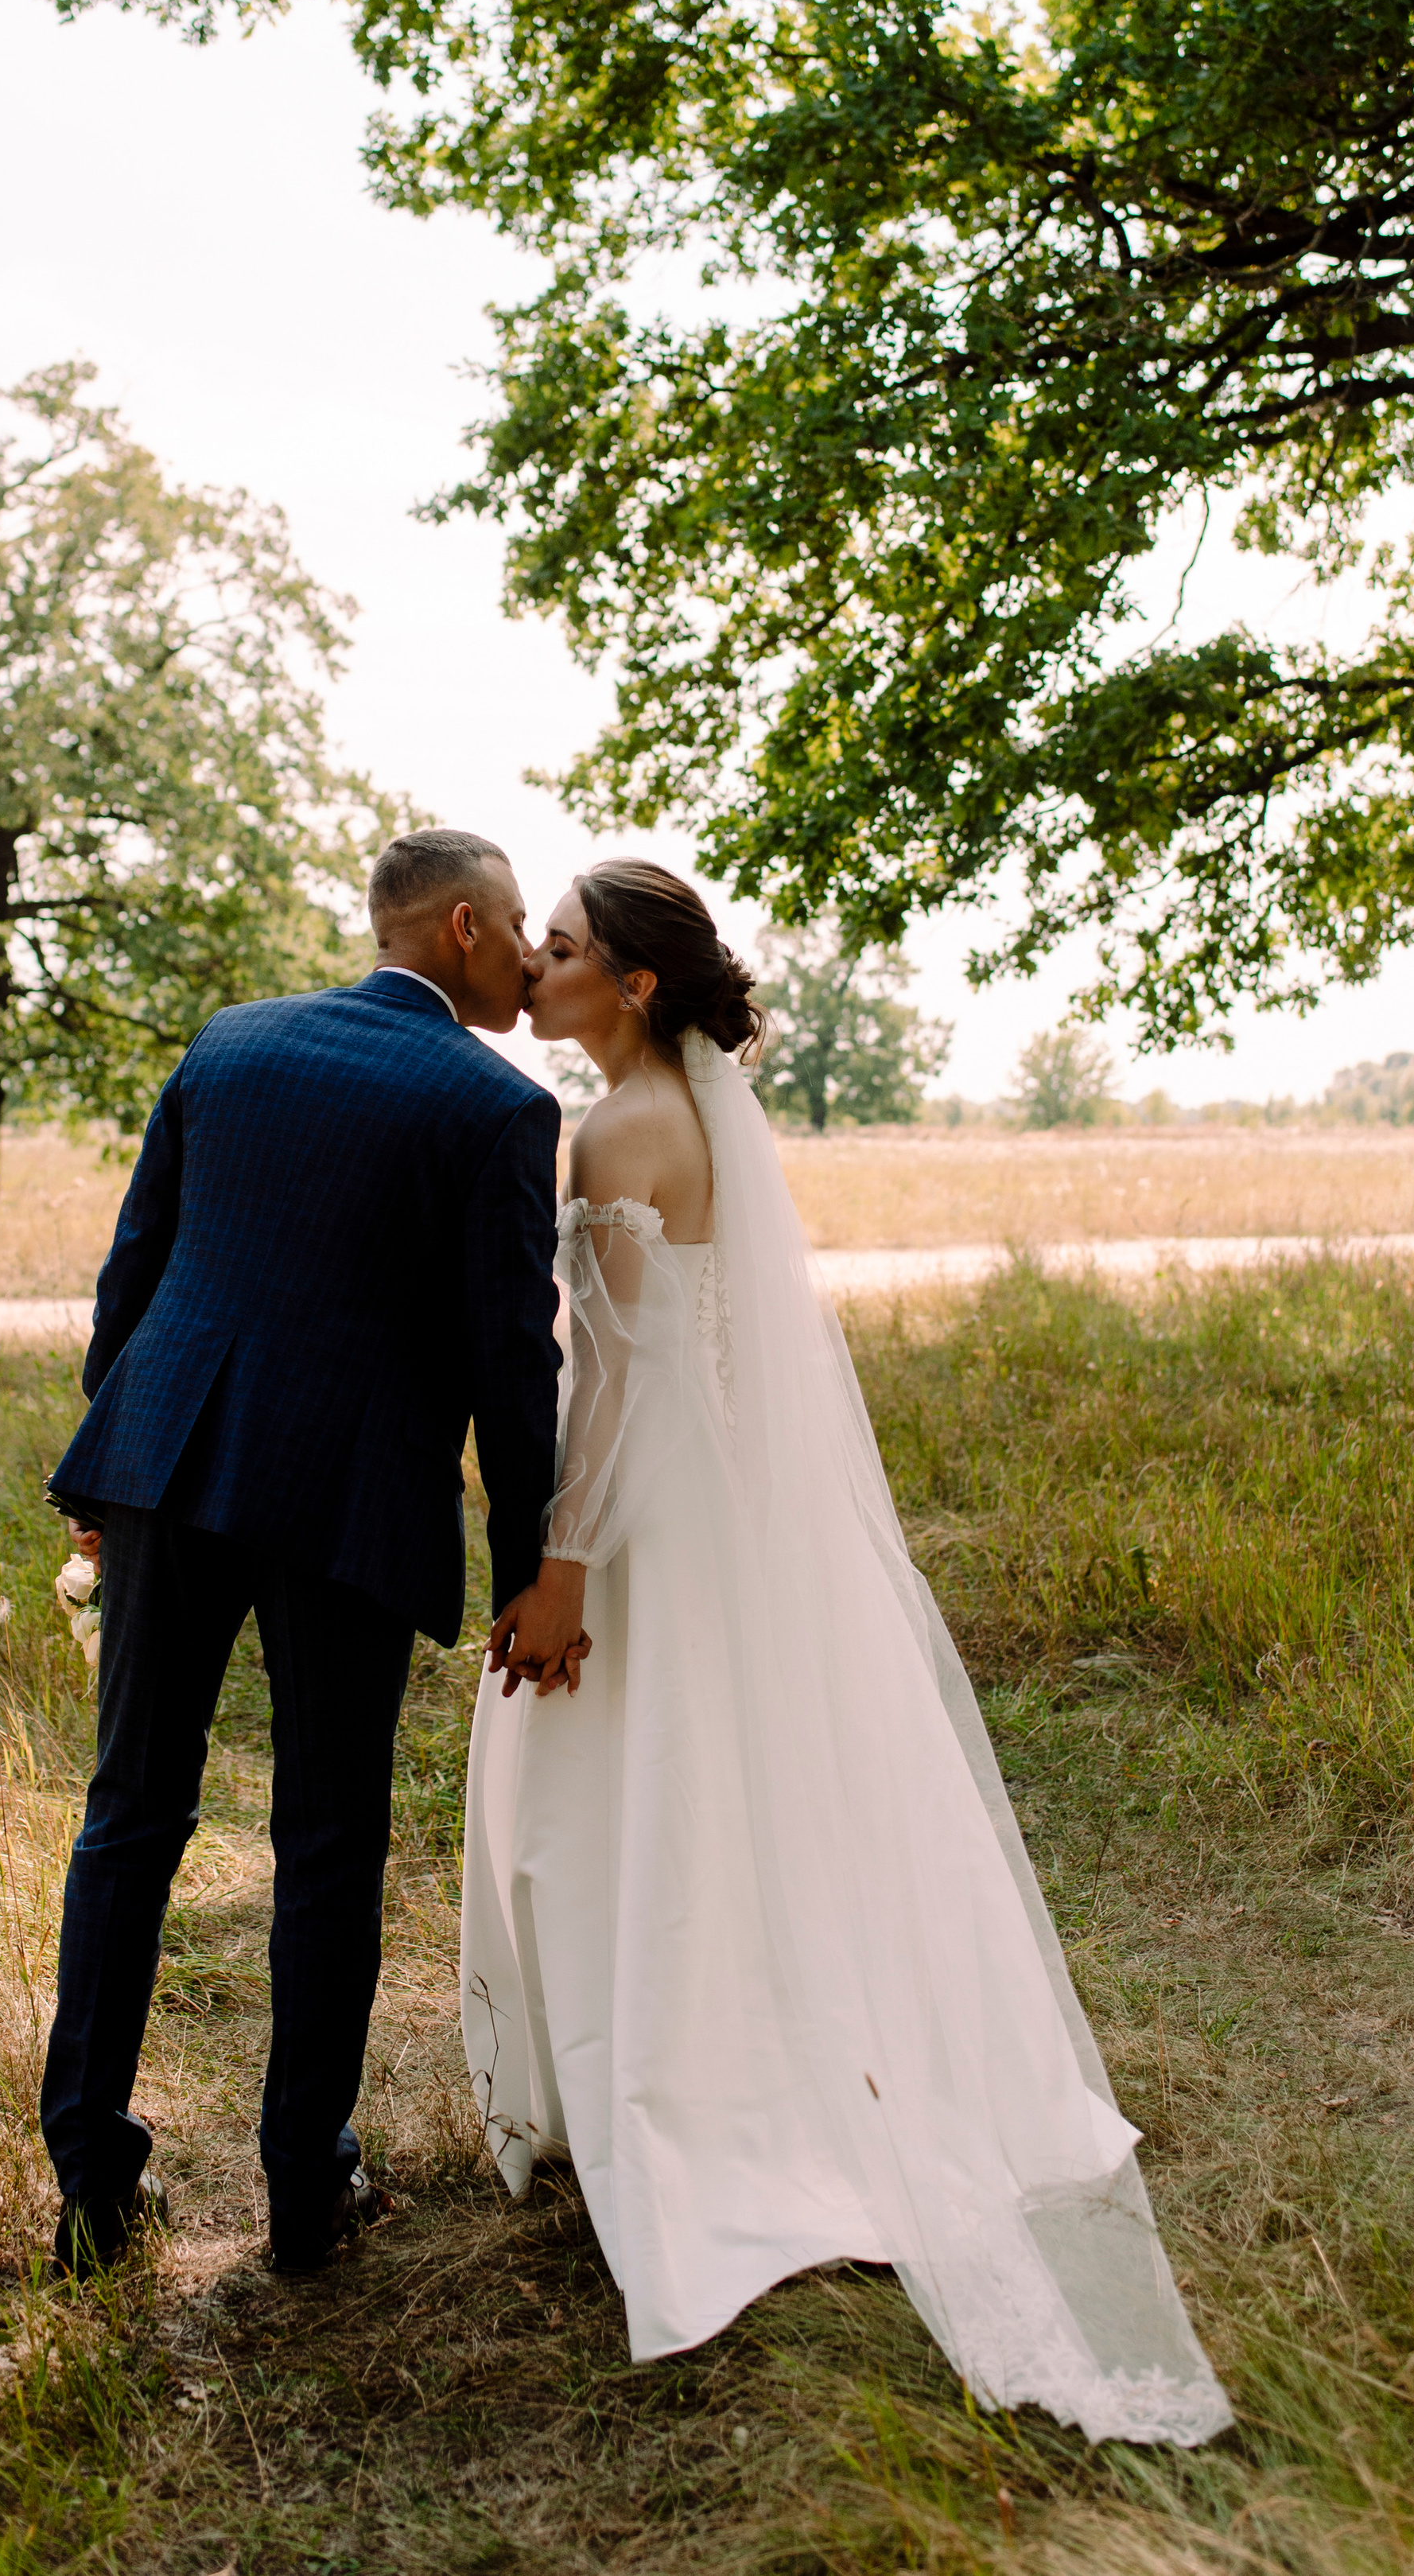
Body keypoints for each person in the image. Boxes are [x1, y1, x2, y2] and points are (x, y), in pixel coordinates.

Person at [461, 860, 1232, 2446]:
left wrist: (562, 1562)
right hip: (728, 1496)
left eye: (564, 949)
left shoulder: (613, 1130)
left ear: (635, 984)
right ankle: (770, 2068)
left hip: (646, 1518)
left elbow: (612, 1384)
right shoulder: (696, 1111)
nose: (535, 968)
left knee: (636, 1799)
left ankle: (690, 2104)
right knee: (748, 1790)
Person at [40, 828, 569, 2282]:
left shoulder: (232, 1041)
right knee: (328, 1842)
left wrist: (103, 1469)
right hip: (349, 1500)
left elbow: (136, 1265)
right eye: (519, 919)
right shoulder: (497, 1107)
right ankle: (302, 2193)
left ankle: (88, 2183)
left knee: (128, 1816)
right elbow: (515, 1368)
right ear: (462, 928)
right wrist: (531, 1560)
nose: (532, 950)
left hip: (170, 1464)